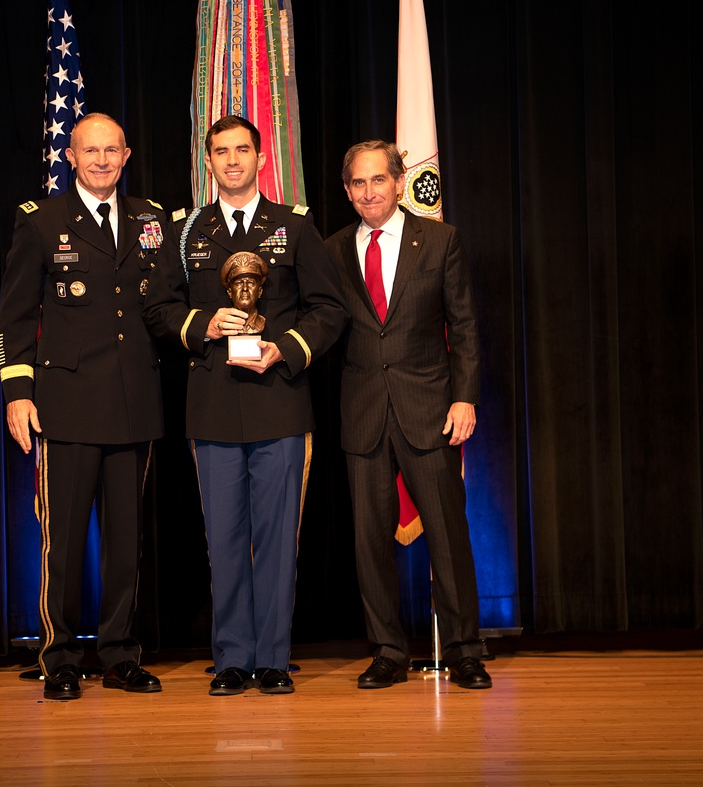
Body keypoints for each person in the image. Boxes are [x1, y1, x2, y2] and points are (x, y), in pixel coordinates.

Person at [143, 115, 347, 696]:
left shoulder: (295, 227)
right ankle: (232, 658)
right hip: (211, 405)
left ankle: (275, 659)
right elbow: (158, 309)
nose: (231, 161)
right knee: (224, 537)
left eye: (241, 150)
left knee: (279, 537)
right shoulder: (187, 231)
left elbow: (329, 310)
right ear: (208, 160)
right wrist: (203, 324)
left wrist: (284, 349)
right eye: (220, 152)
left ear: (261, 157)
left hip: (279, 402)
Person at [0, 113, 165, 700]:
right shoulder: (42, 223)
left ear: (125, 156)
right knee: (63, 543)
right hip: (65, 406)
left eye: (110, 151)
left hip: (132, 403)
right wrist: (18, 392)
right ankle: (60, 656)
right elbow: (14, 318)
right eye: (89, 151)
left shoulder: (151, 220)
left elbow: (161, 305)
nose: (100, 161)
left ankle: (120, 653)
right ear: (71, 156)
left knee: (126, 542)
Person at [325, 139, 491, 690]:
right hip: (363, 413)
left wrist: (464, 397)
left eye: (379, 180)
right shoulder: (331, 251)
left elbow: (464, 326)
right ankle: (388, 650)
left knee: (448, 533)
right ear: (347, 191)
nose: (369, 192)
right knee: (369, 543)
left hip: (431, 410)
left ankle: (466, 649)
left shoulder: (440, 241)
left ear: (399, 183)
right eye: (358, 183)